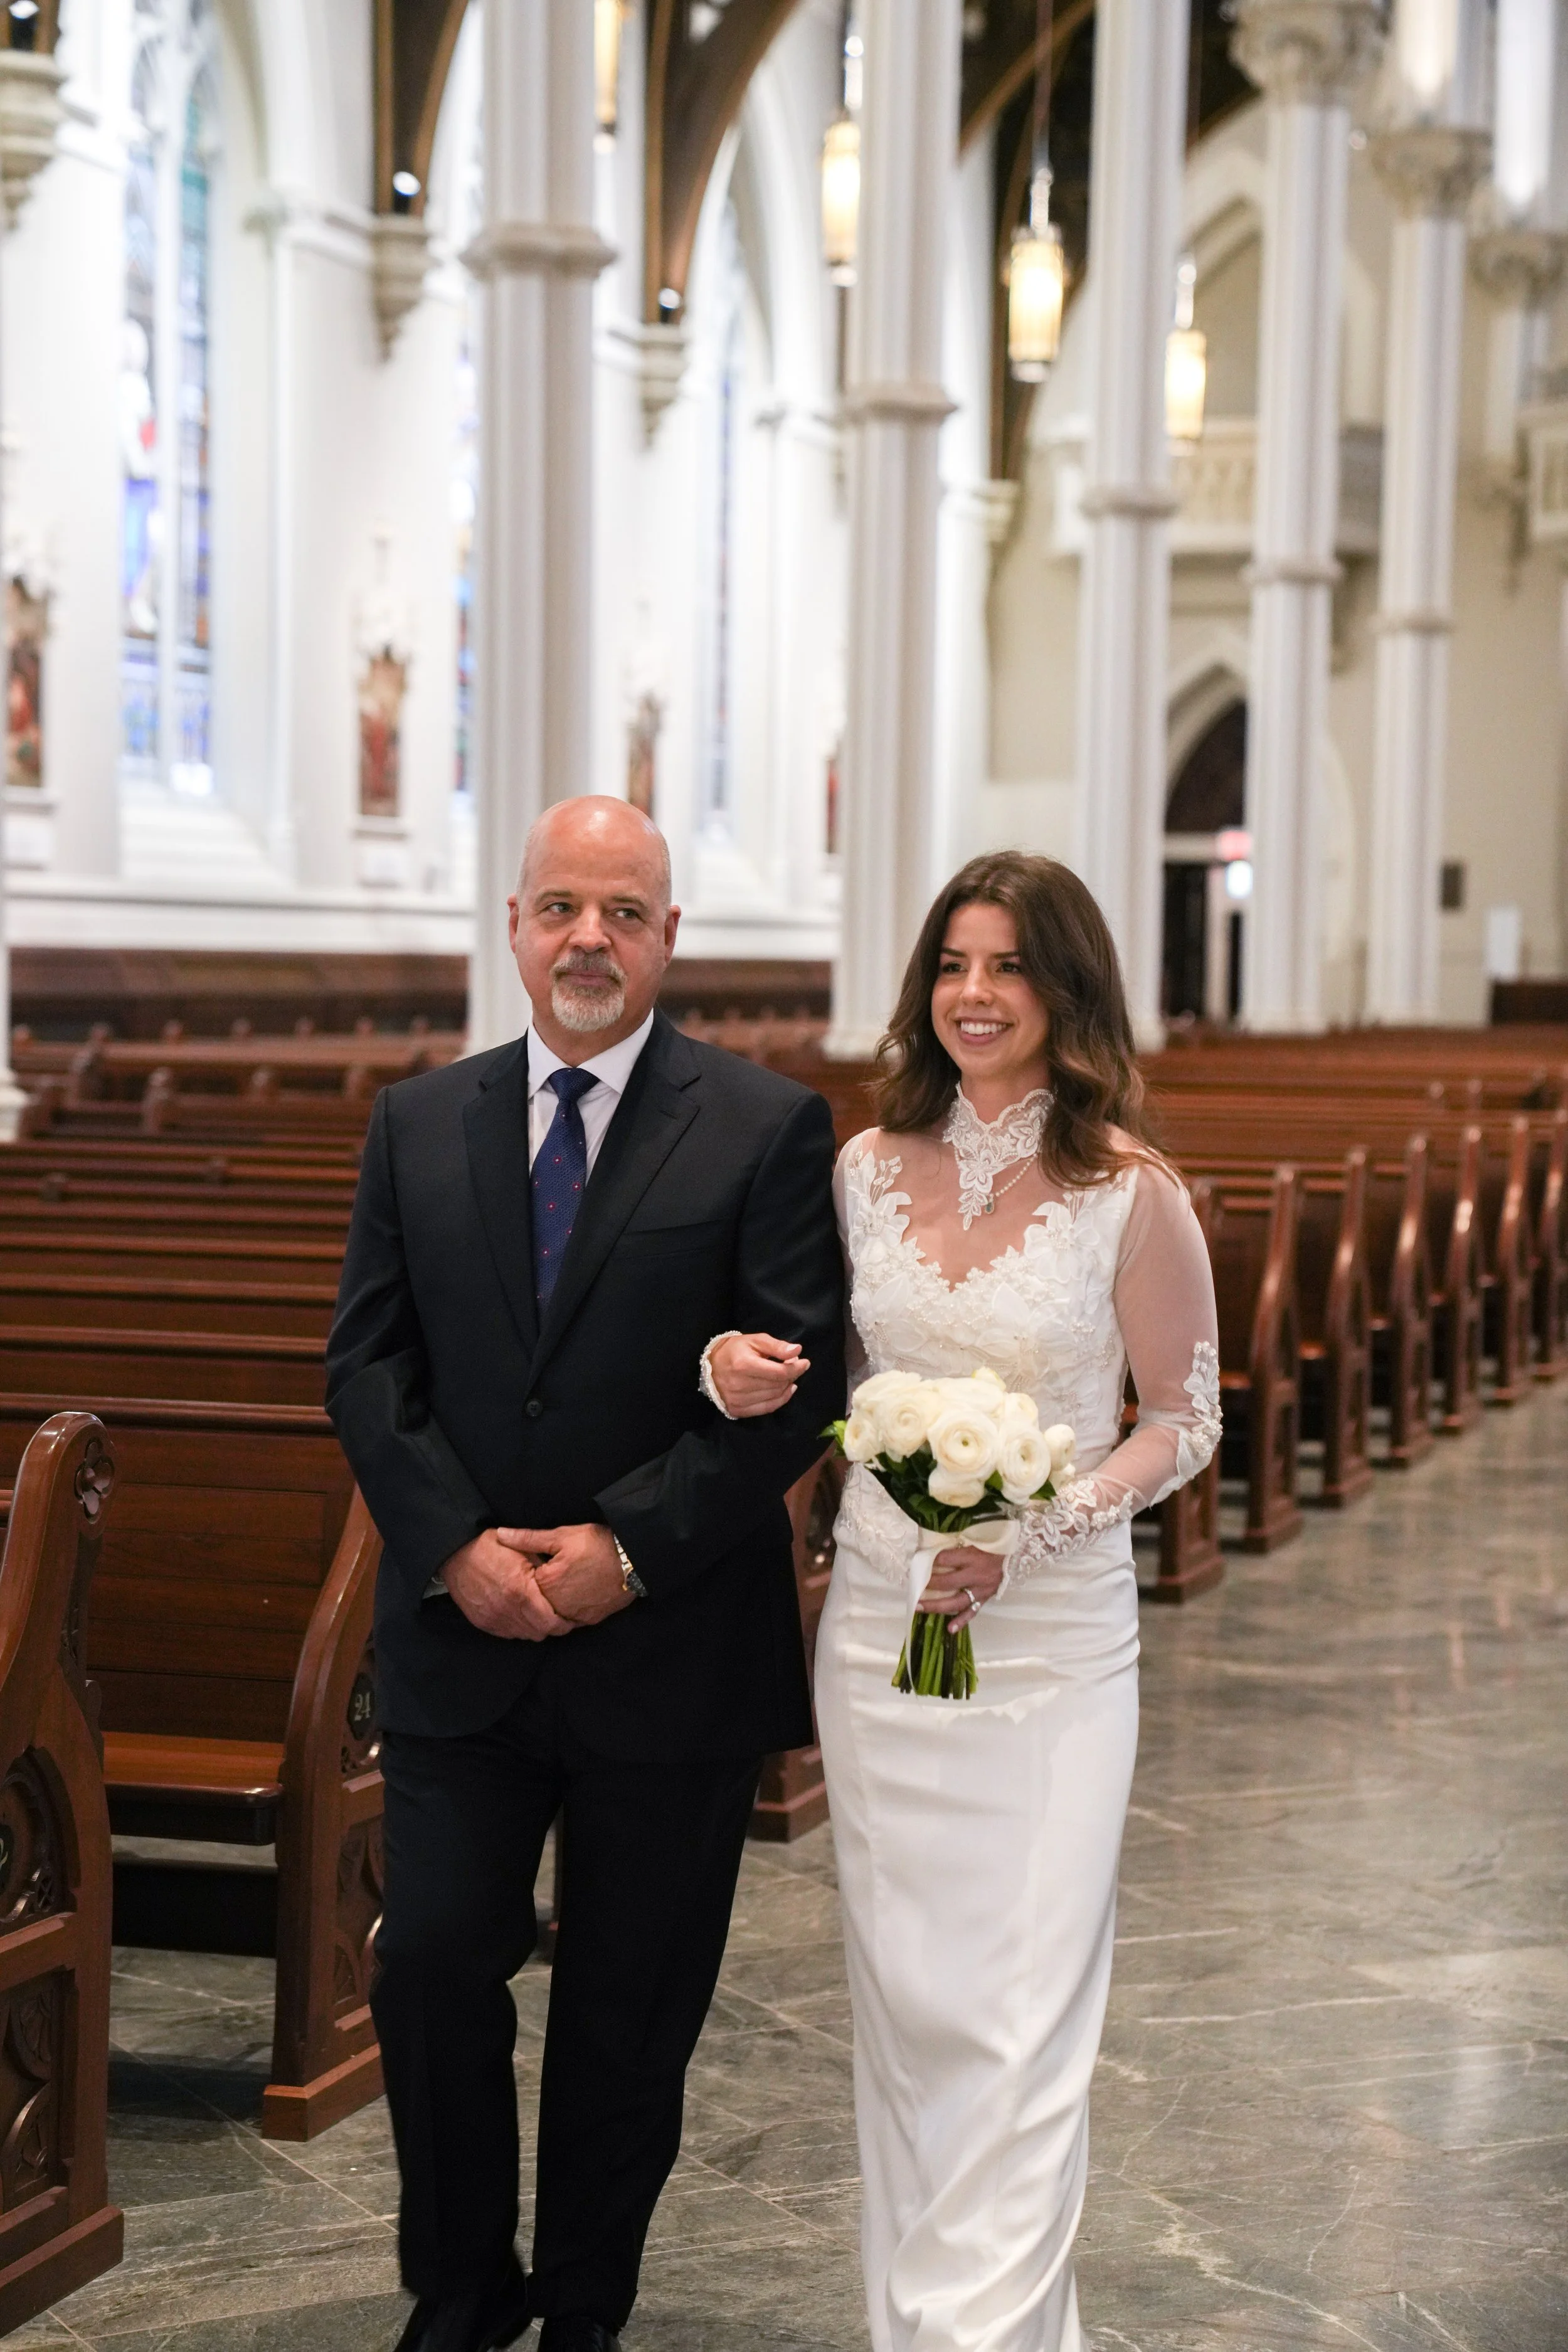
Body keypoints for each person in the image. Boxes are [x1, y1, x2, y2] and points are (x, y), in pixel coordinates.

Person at [326, 797, 845, 2352]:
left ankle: (584, 2312)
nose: (588, 941)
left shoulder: (762, 1126)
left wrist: (626, 1547)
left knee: (628, 2008)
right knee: (425, 1967)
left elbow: (800, 1382)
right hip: (462, 1638)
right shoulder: (419, 1123)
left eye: (622, 912)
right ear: (513, 927)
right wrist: (452, 1548)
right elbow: (367, 1366)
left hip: (666, 1649)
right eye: (559, 907)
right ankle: (462, 2290)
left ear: (670, 936)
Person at [707, 851, 1221, 2352]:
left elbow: (1179, 1422)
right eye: (951, 965)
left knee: (1018, 2012)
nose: (974, 996)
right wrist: (731, 1370)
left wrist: (1036, 1528)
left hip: (1051, 1655)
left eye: (1007, 967)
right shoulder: (862, 1171)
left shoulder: (1131, 1195)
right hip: (878, 1631)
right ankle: (915, 2319)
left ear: (1067, 991)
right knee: (911, 2002)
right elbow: (812, 1366)